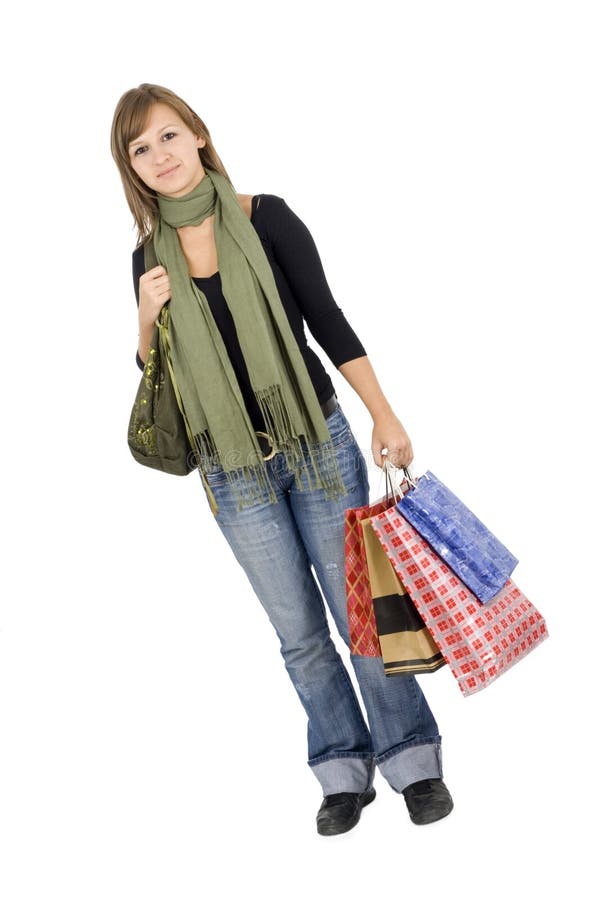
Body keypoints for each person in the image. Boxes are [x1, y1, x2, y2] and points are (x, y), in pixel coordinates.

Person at [110, 83, 454, 836]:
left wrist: (384, 412)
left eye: (169, 136)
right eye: (141, 147)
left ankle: (413, 760)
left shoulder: (265, 217)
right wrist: (145, 315)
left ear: (198, 136)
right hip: (232, 471)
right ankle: (341, 770)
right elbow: (156, 373)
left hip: (317, 444)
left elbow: (326, 317)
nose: (160, 155)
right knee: (298, 633)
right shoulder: (147, 257)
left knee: (358, 611)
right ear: (130, 166)